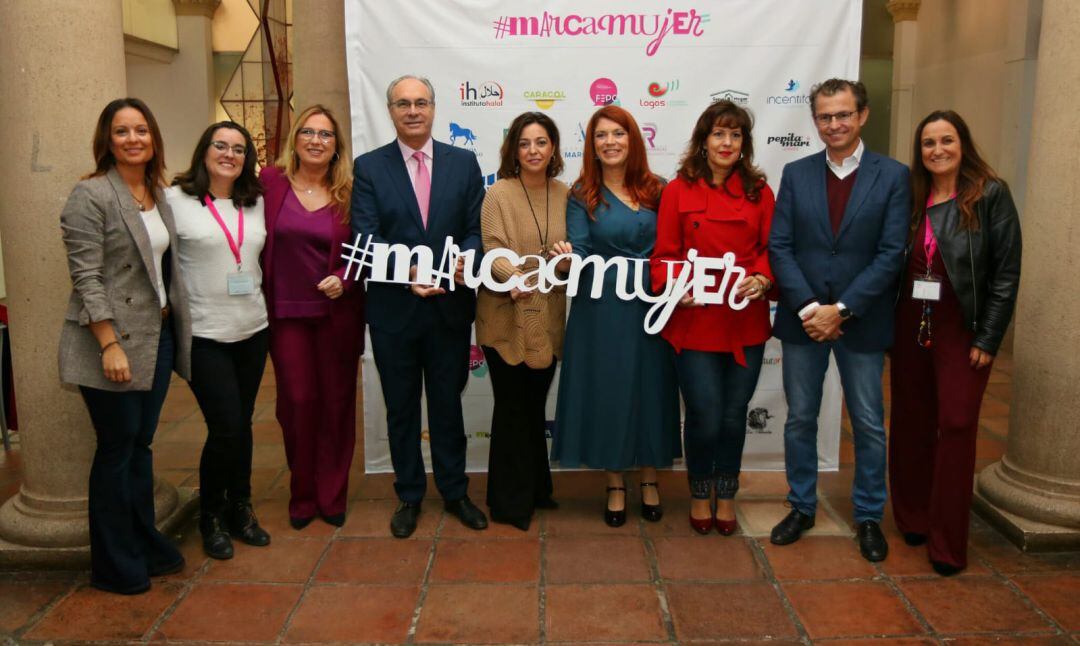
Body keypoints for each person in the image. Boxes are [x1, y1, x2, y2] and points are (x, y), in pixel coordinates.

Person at [768, 79, 910, 562]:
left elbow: (892, 254)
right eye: (825, 117)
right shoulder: (795, 173)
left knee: (869, 423)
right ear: (816, 121)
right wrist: (811, 308)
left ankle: (869, 515)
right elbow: (780, 247)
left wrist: (842, 309)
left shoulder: (892, 176)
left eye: (843, 114)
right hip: (803, 320)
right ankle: (801, 506)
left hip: (861, 321)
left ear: (863, 115)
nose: (835, 124)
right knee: (800, 420)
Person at [58, 98, 192, 594]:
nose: (133, 139)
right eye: (121, 131)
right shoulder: (90, 194)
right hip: (112, 342)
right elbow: (86, 278)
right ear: (107, 140)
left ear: (153, 137)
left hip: (156, 336)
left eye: (141, 130)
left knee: (140, 445)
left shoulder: (156, 192)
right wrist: (108, 344)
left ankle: (141, 540)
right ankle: (114, 564)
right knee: (116, 449)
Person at [351, 75, 488, 538]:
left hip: (449, 308)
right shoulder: (369, 167)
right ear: (390, 111)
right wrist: (410, 274)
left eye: (421, 102)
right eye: (403, 103)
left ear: (434, 108)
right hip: (395, 310)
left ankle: (454, 491)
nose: (413, 111)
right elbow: (365, 235)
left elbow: (475, 230)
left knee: (448, 405)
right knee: (402, 408)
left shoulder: (463, 162)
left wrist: (456, 264)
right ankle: (409, 494)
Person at [890, 110, 1021, 576]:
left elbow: (1006, 274)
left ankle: (947, 541)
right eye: (928, 143)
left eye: (946, 140)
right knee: (911, 421)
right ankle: (913, 517)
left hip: (961, 327)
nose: (937, 150)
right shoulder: (911, 196)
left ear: (963, 143)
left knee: (959, 424)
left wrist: (989, 336)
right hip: (911, 324)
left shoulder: (990, 194)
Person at [552, 105, 681, 527]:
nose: (610, 142)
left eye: (618, 134)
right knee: (609, 392)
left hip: (651, 305)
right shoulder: (581, 194)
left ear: (632, 139)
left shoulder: (658, 188)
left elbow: (671, 247)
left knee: (650, 389)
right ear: (591, 145)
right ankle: (614, 482)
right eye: (601, 136)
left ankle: (648, 478)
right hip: (601, 306)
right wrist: (568, 261)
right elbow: (583, 249)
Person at [651, 100, 775, 536]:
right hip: (694, 322)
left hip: (745, 322)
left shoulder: (760, 191)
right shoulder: (677, 191)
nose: (727, 142)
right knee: (704, 414)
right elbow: (662, 257)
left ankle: (727, 493)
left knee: (733, 414)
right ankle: (700, 491)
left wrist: (762, 278)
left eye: (735, 135)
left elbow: (769, 251)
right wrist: (675, 286)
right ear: (703, 141)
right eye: (719, 133)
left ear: (744, 144)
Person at [167, 121, 270, 559]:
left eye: (239, 149)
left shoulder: (256, 201)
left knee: (242, 424)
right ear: (204, 151)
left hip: (252, 328)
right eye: (220, 146)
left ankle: (240, 508)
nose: (229, 154)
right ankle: (210, 513)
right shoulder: (173, 200)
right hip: (205, 334)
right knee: (225, 426)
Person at [262, 105, 365, 529]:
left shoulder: (351, 192)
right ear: (295, 140)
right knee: (298, 404)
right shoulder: (270, 183)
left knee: (337, 404)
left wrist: (345, 276)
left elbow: (369, 247)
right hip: (286, 314)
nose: (316, 141)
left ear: (336, 145)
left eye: (325, 134)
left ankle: (332, 494)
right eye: (308, 132)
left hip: (337, 314)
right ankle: (302, 493)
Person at [476, 112, 571, 531]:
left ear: (553, 148)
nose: (533, 151)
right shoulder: (498, 193)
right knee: (512, 408)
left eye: (541, 142)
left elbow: (571, 261)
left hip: (547, 316)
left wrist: (567, 262)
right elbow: (493, 248)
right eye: (525, 143)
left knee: (533, 407)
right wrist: (509, 277)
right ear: (513, 149)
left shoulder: (566, 194)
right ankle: (508, 503)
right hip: (504, 315)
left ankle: (536, 488)